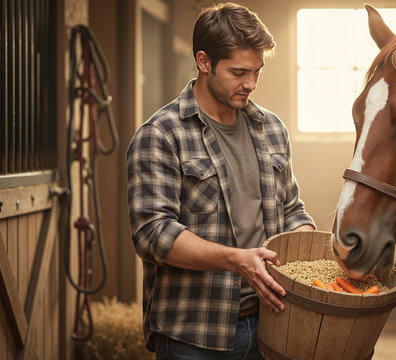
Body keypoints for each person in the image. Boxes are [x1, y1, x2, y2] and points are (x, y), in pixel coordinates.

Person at [126, 3, 315, 359]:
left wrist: (311, 249)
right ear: (203, 61)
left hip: (272, 324)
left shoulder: (272, 128)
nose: (251, 84)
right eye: (239, 72)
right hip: (194, 334)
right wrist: (235, 259)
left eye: (257, 71)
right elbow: (152, 233)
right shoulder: (161, 135)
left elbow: (292, 211)